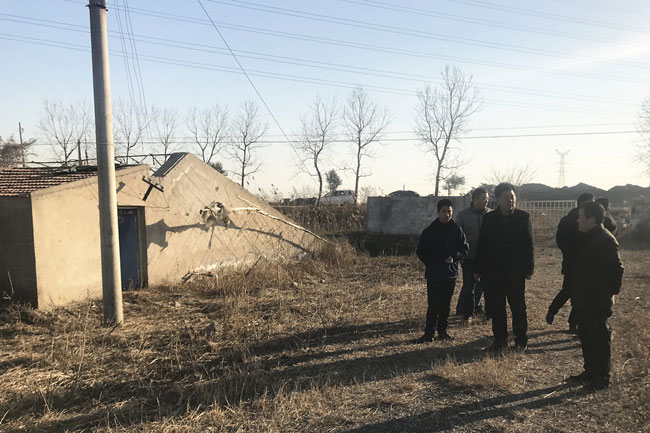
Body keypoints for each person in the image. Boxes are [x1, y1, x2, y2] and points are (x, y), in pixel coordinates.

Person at [567, 201, 624, 390]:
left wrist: (608, 292)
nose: (578, 220)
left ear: (591, 219)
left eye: (581, 217)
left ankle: (601, 378)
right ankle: (590, 372)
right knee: (586, 334)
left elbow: (617, 269)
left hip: (597, 300)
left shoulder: (606, 240)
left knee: (599, 337)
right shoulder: (588, 237)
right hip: (585, 298)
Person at [475, 183, 534, 353]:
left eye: (512, 197)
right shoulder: (488, 219)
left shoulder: (523, 217)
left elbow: (529, 244)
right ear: (498, 199)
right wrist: (478, 269)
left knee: (518, 307)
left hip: (515, 271)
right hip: (494, 271)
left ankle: (521, 340)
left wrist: (529, 268)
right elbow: (482, 245)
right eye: (506, 197)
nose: (510, 201)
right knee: (497, 307)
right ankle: (500, 340)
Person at [415, 198, 469, 343]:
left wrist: (455, 257)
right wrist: (432, 263)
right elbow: (421, 251)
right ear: (438, 212)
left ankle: (443, 332)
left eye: (449, 212)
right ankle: (429, 333)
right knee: (433, 304)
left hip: (450, 273)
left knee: (446, 304)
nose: (447, 214)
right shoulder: (430, 231)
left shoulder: (457, 230)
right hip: (434, 273)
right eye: (444, 211)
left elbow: (465, 249)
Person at [546, 193, 595, 333]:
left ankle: (573, 323)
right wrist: (572, 252)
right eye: (589, 203)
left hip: (586, 264)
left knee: (581, 294)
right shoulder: (568, 220)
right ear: (581, 204)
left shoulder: (592, 221)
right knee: (568, 290)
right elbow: (560, 240)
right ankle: (552, 310)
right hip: (572, 262)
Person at [454, 187, 491, 321]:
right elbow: (457, 236)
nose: (486, 201)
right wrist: (460, 255)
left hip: (486, 257)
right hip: (469, 256)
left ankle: (477, 306)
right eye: (483, 198)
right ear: (475, 199)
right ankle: (464, 310)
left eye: (487, 199)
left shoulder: (490, 215)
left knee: (482, 284)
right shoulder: (463, 216)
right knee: (469, 284)